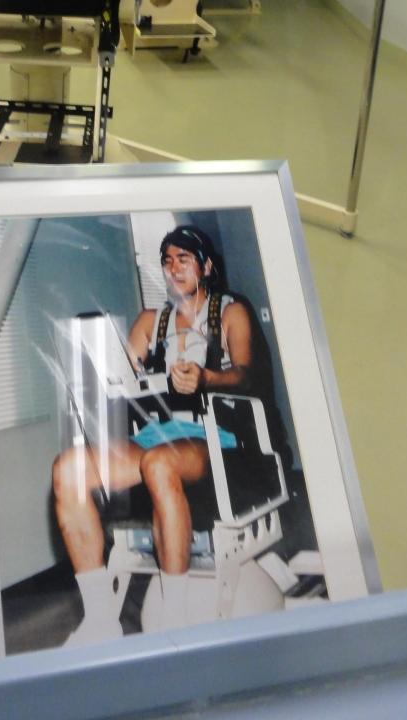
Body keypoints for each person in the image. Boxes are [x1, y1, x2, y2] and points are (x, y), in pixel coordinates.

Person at [52, 225, 281, 644]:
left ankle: (174, 615)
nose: (174, 269)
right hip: (157, 434)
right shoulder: (150, 322)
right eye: (167, 261)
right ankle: (101, 619)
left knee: (159, 463)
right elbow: (120, 381)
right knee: (68, 469)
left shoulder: (230, 313)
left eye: (184, 260)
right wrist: (97, 378)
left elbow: (248, 374)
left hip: (215, 436)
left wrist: (207, 377)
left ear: (206, 267)